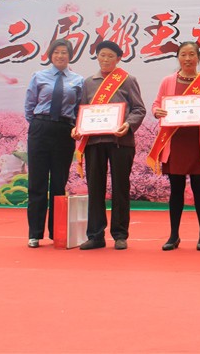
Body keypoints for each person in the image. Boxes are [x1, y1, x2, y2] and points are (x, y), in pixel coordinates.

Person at [72, 41, 146, 250]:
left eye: (110, 56)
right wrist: (78, 127)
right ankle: (95, 235)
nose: (105, 59)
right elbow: (82, 111)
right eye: (102, 55)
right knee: (95, 188)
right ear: (97, 56)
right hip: (94, 142)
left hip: (120, 141)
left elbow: (139, 109)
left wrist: (128, 125)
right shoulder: (89, 82)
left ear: (118, 59)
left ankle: (120, 234)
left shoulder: (128, 80)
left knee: (120, 187)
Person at [149, 42, 200, 251]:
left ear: (198, 57)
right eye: (183, 54)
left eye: (191, 54)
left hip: (197, 142)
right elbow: (156, 104)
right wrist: (157, 112)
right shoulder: (168, 81)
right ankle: (174, 235)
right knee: (176, 190)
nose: (187, 59)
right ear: (178, 57)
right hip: (175, 142)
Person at [23, 38, 84, 248]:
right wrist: (39, 124)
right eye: (56, 52)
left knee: (59, 183)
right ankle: (35, 233)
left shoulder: (78, 80)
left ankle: (56, 232)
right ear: (50, 55)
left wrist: (74, 127)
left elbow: (79, 109)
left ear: (70, 56)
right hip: (40, 128)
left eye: (64, 52)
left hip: (64, 131)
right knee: (37, 183)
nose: (60, 56)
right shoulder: (39, 76)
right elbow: (30, 106)